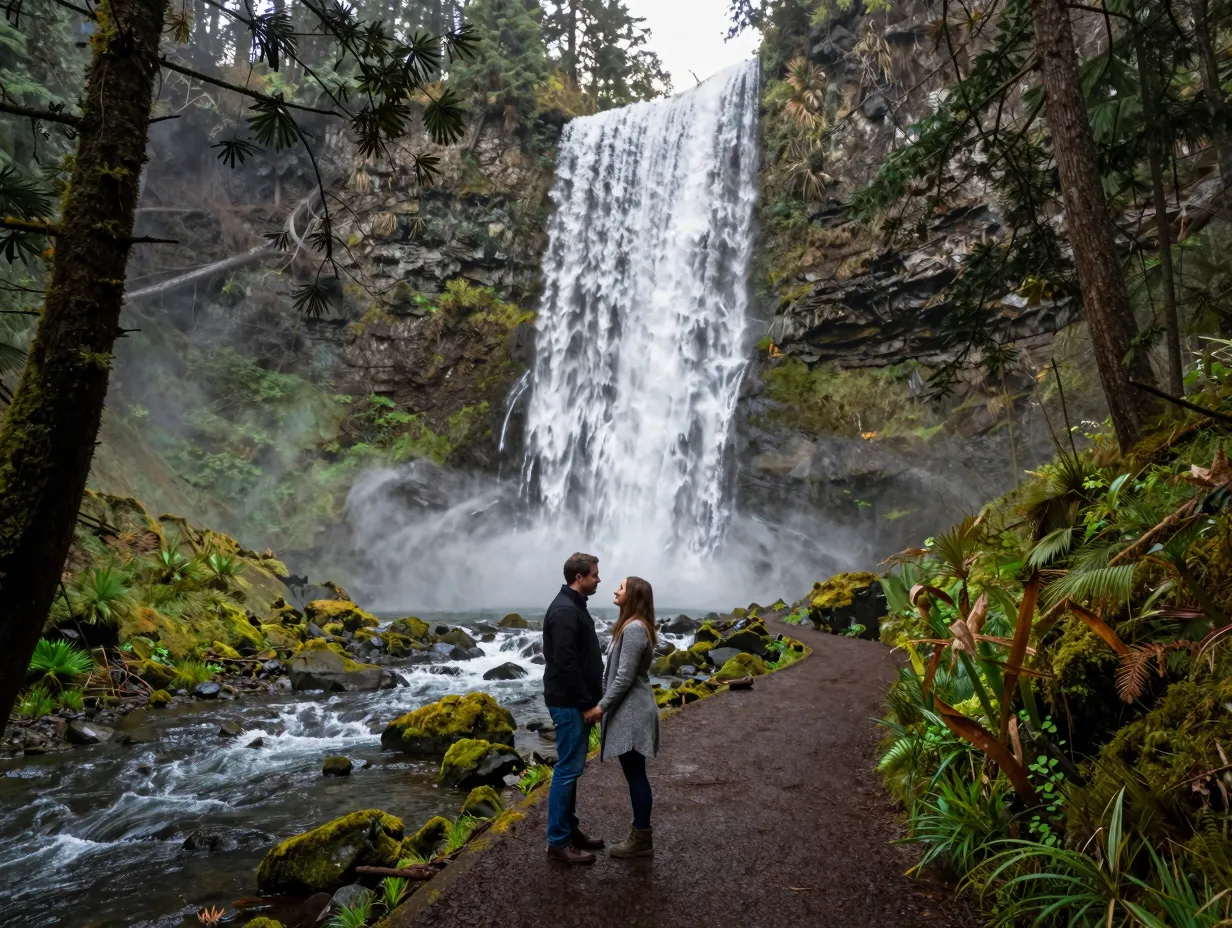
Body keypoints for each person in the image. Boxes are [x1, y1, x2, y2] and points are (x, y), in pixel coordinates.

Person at [542, 551, 605, 864]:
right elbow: (566, 664)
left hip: (572, 701)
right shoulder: (566, 611)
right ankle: (558, 842)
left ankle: (570, 830)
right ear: (578, 578)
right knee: (567, 770)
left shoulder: (573, 605)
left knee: (571, 769)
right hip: (569, 704)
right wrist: (587, 703)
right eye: (594, 574)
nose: (599, 579)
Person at [594, 576, 659, 859]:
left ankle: (641, 837)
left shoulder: (633, 629)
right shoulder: (632, 626)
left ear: (632, 595)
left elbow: (623, 677)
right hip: (631, 708)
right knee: (635, 774)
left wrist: (601, 707)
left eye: (620, 587)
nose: (615, 590)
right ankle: (640, 834)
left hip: (632, 711)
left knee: (636, 775)